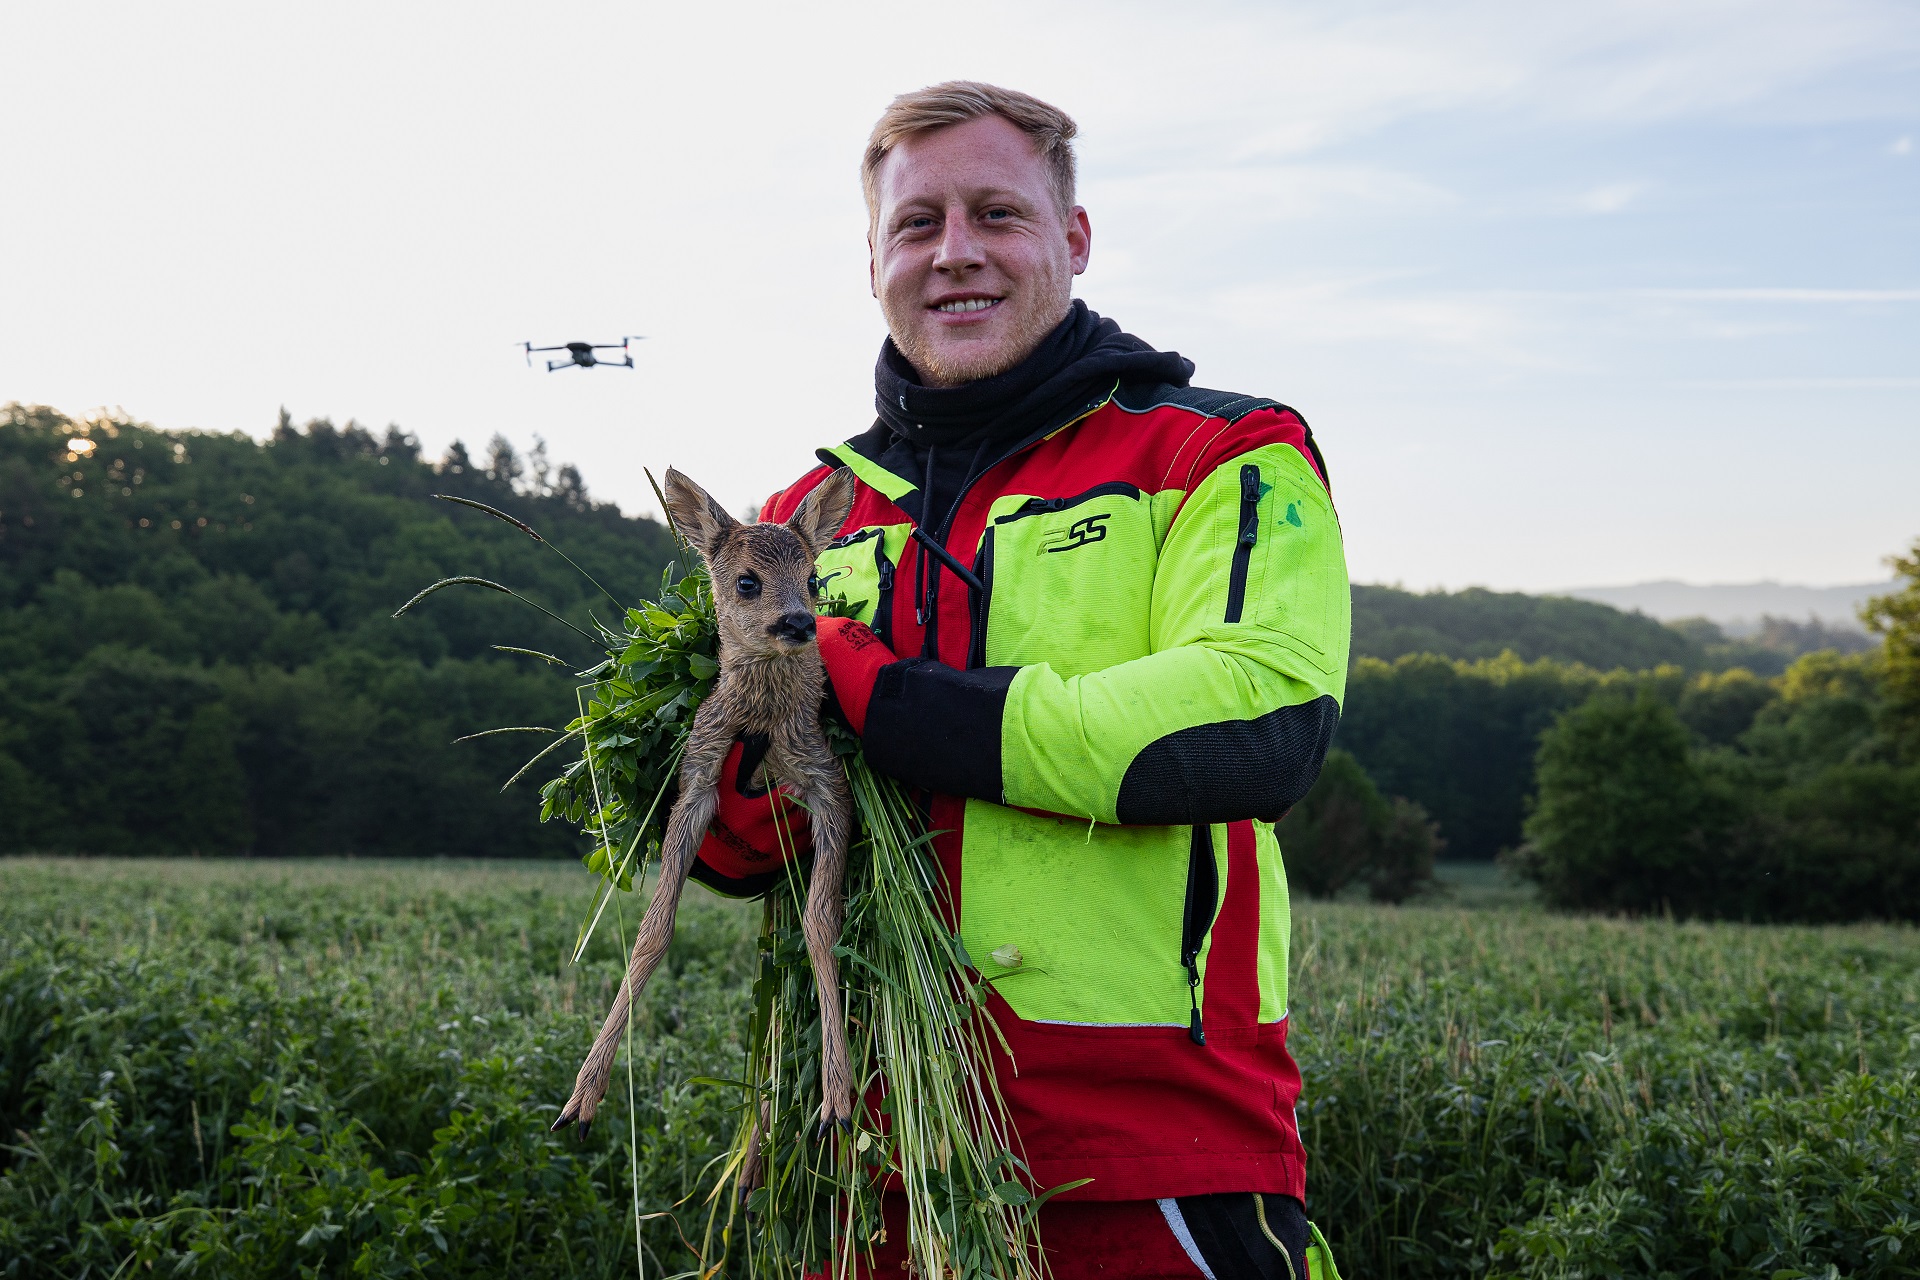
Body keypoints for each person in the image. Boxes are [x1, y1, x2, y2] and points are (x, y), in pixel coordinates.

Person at [690, 81, 1350, 1280]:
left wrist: (882, 698)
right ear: (874, 261)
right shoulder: (795, 522)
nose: (955, 252)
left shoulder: (1221, 452)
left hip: (1151, 1158)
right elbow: (733, 854)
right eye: (916, 223)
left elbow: (1259, 723)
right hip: (859, 1167)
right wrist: (739, 755)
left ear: (1073, 238)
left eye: (996, 213)